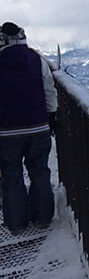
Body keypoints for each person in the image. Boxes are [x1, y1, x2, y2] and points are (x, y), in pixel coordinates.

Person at [0, 22, 58, 235]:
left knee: (11, 175)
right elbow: (49, 89)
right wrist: (52, 115)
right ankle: (43, 219)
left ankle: (16, 225)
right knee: (40, 171)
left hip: (6, 132)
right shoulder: (37, 60)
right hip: (38, 127)